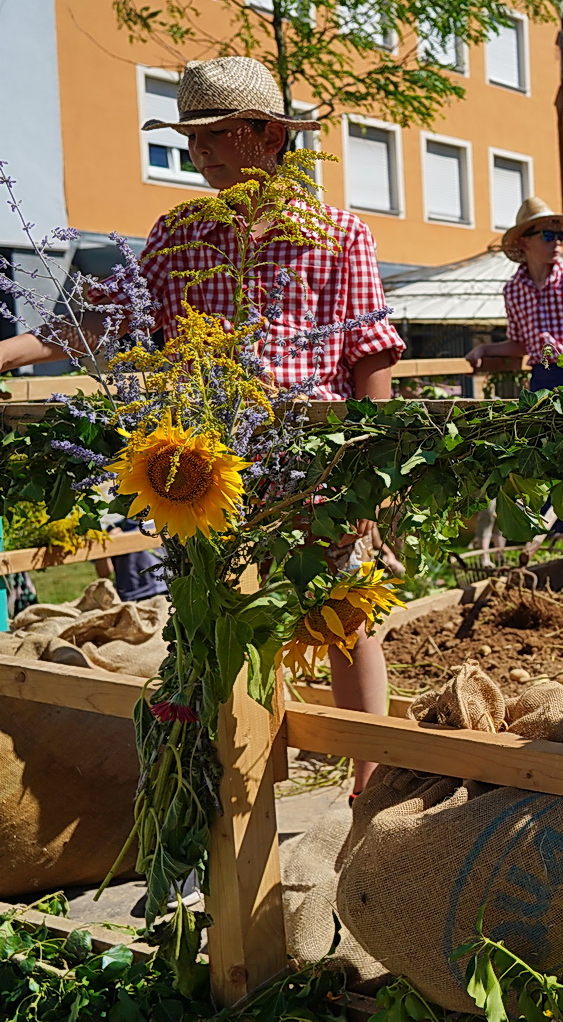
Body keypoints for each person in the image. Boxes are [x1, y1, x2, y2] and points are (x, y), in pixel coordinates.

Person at [0, 55, 404, 790]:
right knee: (210, 618)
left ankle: (368, 784)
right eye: (191, 135)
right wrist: (11, 352)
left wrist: (369, 475)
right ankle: (225, 785)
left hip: (311, 458)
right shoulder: (179, 232)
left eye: (217, 131)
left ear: (268, 135)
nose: (199, 149)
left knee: (343, 611)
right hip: (207, 462)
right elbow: (106, 318)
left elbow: (368, 356)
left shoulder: (338, 232)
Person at [466, 197, 563, 391]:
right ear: (524, 242)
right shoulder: (513, 290)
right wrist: (485, 348)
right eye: (548, 235)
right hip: (542, 374)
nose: (557, 243)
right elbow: (520, 344)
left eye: (561, 236)